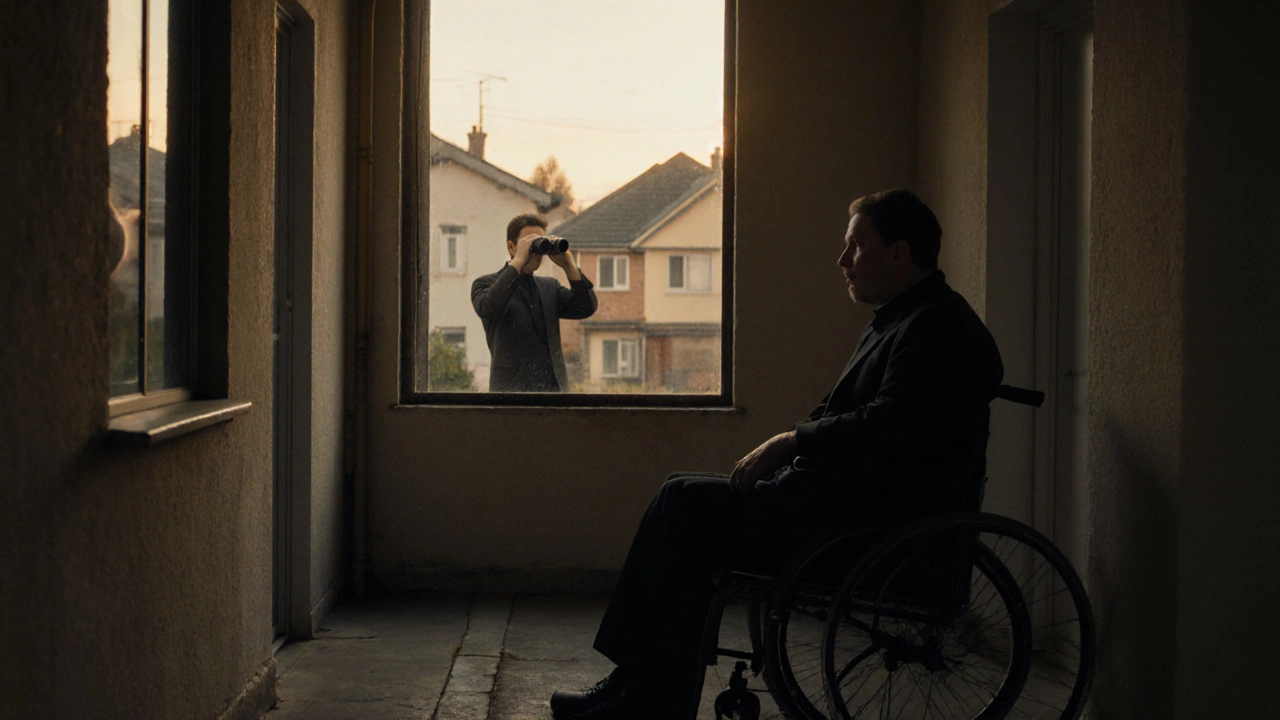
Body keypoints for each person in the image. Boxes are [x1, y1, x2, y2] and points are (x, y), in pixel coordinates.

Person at [550, 190, 1004, 719]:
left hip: (859, 529)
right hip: (837, 506)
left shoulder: (934, 329)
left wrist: (790, 442)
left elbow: (888, 427)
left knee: (683, 507)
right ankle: (641, 689)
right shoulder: (908, 318)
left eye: (855, 247)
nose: (842, 261)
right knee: (683, 499)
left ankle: (642, 694)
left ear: (899, 253)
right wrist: (793, 450)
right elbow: (860, 418)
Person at [472, 213, 598, 392]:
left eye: (540, 244)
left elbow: (586, 307)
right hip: (510, 396)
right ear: (511, 247)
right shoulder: (486, 284)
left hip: (553, 393)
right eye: (530, 244)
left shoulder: (549, 287)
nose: (537, 251)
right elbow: (488, 307)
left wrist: (569, 266)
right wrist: (518, 263)